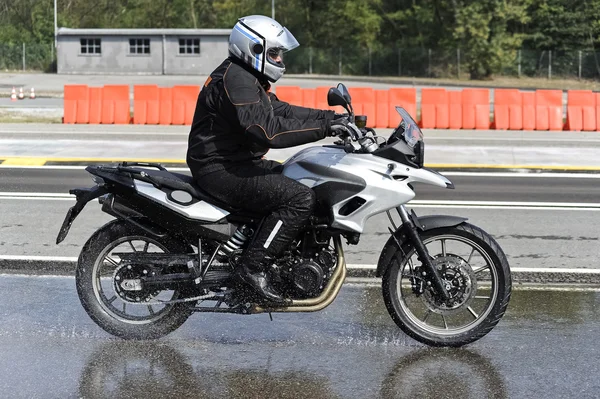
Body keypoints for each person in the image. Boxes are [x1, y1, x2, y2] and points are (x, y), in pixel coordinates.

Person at [187, 15, 351, 304]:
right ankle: (250, 271)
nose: (279, 59)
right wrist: (326, 129)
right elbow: (269, 132)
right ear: (254, 48)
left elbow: (282, 111)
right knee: (298, 199)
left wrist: (334, 118)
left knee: (302, 178)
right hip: (221, 169)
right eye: (274, 52)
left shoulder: (245, 78)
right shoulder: (237, 80)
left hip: (235, 163)